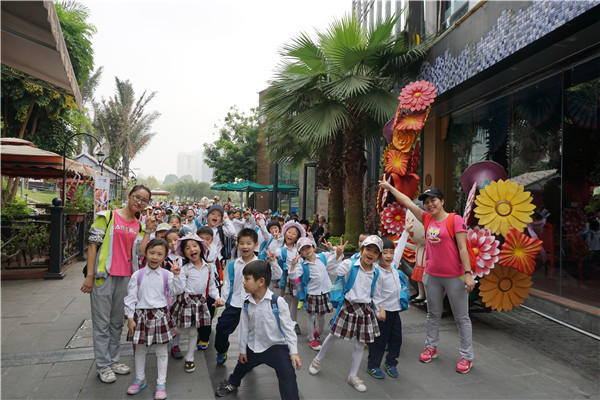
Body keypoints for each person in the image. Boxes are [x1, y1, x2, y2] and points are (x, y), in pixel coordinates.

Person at [379, 182, 475, 374]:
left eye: (434, 200)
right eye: (427, 202)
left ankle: (466, 356)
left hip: (455, 276)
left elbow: (463, 247)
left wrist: (468, 274)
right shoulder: (427, 218)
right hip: (432, 275)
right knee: (432, 314)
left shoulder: (454, 220)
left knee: (461, 318)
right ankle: (431, 347)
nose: (430, 204)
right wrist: (389, 188)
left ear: (442, 201)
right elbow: (406, 201)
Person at [81, 185, 150, 384]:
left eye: (144, 200)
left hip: (126, 279)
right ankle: (103, 366)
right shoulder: (107, 216)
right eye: (137, 197)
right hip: (104, 277)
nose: (139, 202)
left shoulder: (139, 224)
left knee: (116, 324)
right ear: (129, 196)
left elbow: (142, 252)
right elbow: (93, 246)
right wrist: (90, 275)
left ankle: (113, 361)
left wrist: (149, 231)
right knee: (102, 324)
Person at [215, 260, 301, 399]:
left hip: (276, 347)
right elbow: (243, 328)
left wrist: (294, 352)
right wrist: (242, 350)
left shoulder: (277, 301)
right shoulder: (247, 303)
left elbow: (288, 328)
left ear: (261, 281)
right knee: (241, 366)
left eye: (247, 279)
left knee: (288, 375)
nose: (243, 282)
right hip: (254, 346)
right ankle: (232, 382)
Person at [308, 235, 383, 392]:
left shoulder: (376, 273)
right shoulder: (349, 264)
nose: (371, 254)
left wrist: (379, 309)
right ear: (361, 250)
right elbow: (332, 270)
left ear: (378, 256)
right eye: (368, 249)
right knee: (334, 334)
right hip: (348, 306)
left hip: (365, 310)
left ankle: (353, 376)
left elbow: (375, 294)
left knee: (360, 343)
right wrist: (337, 255)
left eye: (375, 252)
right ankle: (318, 359)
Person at [124, 239, 184, 400]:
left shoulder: (167, 274)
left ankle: (161, 383)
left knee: (161, 350)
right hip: (141, 316)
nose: (155, 257)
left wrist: (178, 275)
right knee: (140, 349)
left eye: (159, 254)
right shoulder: (137, 275)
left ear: (165, 257)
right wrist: (130, 318)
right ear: (146, 253)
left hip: (160, 316)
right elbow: (130, 298)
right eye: (152, 252)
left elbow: (177, 290)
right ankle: (140, 379)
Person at [214, 229, 283, 364]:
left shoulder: (261, 264)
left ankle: (249, 357)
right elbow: (228, 283)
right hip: (236, 304)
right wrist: (222, 298)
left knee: (252, 333)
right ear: (237, 244)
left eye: (249, 243)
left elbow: (277, 275)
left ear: (256, 245)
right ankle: (222, 350)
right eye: (241, 243)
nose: (245, 247)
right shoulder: (234, 264)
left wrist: (273, 262)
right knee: (221, 328)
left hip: (254, 304)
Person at [170, 234, 221, 373]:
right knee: (178, 329)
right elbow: (177, 290)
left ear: (201, 248)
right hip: (185, 303)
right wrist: (176, 275)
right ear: (184, 252)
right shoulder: (184, 269)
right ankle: (171, 334)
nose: (192, 249)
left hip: (200, 303)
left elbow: (211, 286)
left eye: (194, 245)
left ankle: (190, 358)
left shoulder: (209, 267)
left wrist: (217, 297)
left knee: (193, 333)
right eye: (187, 247)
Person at [367, 231, 410, 380]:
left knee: (396, 339)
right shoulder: (377, 271)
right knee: (379, 341)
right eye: (385, 253)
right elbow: (375, 294)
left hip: (394, 311)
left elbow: (400, 248)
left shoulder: (393, 266)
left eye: (391, 253)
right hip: (382, 313)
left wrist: (406, 231)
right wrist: (379, 309)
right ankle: (373, 365)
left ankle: (391, 363)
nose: (389, 256)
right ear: (378, 255)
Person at [289, 237, 343, 350]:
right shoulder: (302, 265)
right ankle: (311, 339)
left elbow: (336, 257)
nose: (307, 250)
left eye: (308, 247)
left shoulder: (323, 257)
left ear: (313, 247)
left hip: (325, 292)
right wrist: (293, 265)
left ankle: (319, 331)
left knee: (322, 317)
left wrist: (333, 248)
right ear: (301, 253)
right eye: (303, 249)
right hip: (312, 294)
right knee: (312, 317)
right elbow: (293, 276)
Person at [268, 221, 306, 334]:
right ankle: (282, 321)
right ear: (285, 234)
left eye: (294, 234)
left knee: (295, 300)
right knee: (283, 300)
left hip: (299, 277)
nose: (290, 235)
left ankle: (293, 322)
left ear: (297, 238)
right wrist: (275, 240)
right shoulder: (281, 250)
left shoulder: (299, 249)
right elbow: (272, 253)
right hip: (286, 278)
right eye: (289, 232)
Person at [196, 226, 220, 349]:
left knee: (207, 314)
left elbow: (210, 260)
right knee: (197, 313)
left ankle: (204, 338)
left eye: (208, 239)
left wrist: (213, 248)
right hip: (196, 289)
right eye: (201, 239)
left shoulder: (213, 250)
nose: (204, 242)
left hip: (210, 287)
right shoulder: (193, 251)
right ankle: (199, 332)